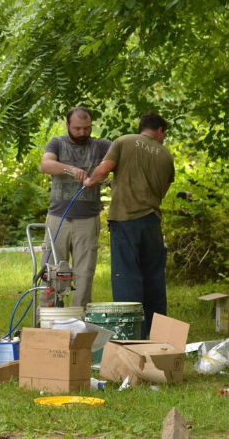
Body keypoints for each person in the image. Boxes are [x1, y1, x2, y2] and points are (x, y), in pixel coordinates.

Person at [83, 111, 174, 338]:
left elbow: (104, 170)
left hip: (125, 221)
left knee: (127, 278)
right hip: (152, 222)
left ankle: (130, 336)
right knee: (154, 279)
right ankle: (156, 336)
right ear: (160, 131)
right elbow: (162, 192)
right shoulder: (166, 156)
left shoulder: (124, 141)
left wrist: (89, 181)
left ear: (142, 127)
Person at [39, 107, 111, 308]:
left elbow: (118, 160)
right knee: (51, 272)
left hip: (88, 220)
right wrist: (69, 169)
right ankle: (46, 321)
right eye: (77, 128)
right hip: (57, 218)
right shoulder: (57, 143)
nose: (82, 133)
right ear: (67, 125)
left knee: (84, 274)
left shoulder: (101, 146)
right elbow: (46, 165)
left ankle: (78, 323)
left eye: (87, 128)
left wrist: (98, 176)